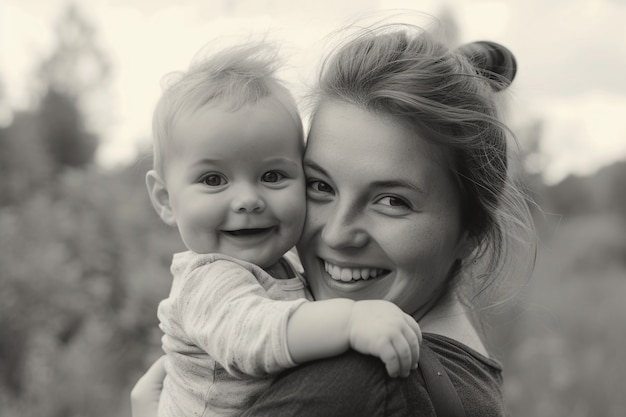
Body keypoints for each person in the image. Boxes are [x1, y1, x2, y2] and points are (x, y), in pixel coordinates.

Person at [133, 22, 535, 417]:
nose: (340, 233)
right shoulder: (462, 373)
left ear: (471, 231)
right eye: (321, 186)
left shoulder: (361, 384)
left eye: (392, 201)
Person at [143, 42, 423, 417]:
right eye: (213, 179)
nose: (247, 200)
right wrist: (354, 320)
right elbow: (254, 335)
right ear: (164, 198)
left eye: (272, 176)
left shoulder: (283, 263)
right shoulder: (206, 281)